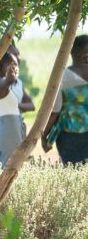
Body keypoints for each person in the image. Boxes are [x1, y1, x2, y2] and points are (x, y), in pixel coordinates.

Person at [43, 35, 88, 164]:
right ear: (85, 57)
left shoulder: (62, 77)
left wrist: (43, 136)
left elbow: (54, 112)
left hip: (68, 136)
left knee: (72, 174)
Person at [0, 52, 35, 166]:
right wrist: (9, 78)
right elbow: (6, 81)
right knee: (10, 168)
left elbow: (31, 105)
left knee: (1, 170)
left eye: (16, 64)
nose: (15, 67)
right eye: (11, 65)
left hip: (5, 129)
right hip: (9, 130)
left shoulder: (11, 84)